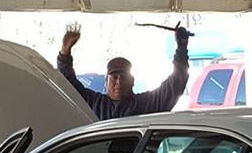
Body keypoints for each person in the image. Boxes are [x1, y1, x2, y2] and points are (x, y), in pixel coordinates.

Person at [56, 25, 189, 119]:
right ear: (106, 82)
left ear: (132, 82)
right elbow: (68, 84)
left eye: (124, 77)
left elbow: (176, 83)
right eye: (114, 77)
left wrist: (181, 49)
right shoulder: (94, 103)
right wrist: (65, 51)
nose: (118, 82)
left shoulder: (145, 104)